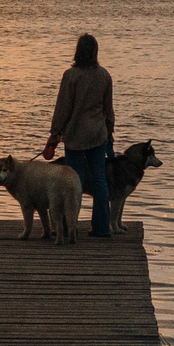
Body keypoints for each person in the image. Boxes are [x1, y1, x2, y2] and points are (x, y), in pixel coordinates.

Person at [42, 32, 115, 238]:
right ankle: (102, 228)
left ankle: (68, 227)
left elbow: (63, 107)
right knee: (100, 180)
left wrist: (55, 133)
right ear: (95, 52)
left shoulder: (71, 76)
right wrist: (110, 131)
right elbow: (108, 109)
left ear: (77, 52)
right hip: (98, 134)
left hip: (75, 136)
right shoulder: (104, 75)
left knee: (73, 183)